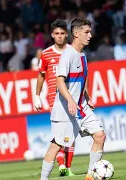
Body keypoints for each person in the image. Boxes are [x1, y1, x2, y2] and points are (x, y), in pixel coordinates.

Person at [39, 18, 106, 180]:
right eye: (86, 32)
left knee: (100, 136)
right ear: (76, 34)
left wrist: (87, 97)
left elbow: (82, 79)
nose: (90, 35)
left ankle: (90, 176)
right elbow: (60, 81)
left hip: (81, 106)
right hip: (65, 108)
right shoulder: (67, 55)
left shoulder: (82, 54)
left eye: (90, 32)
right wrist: (69, 100)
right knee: (57, 145)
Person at [34, 20, 75, 177]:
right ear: (52, 35)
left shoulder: (73, 52)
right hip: (54, 99)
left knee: (71, 134)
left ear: (66, 34)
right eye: (56, 34)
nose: (59, 36)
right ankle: (62, 165)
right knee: (59, 134)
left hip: (72, 97)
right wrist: (37, 96)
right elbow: (41, 75)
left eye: (62, 33)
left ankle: (68, 167)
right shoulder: (45, 54)